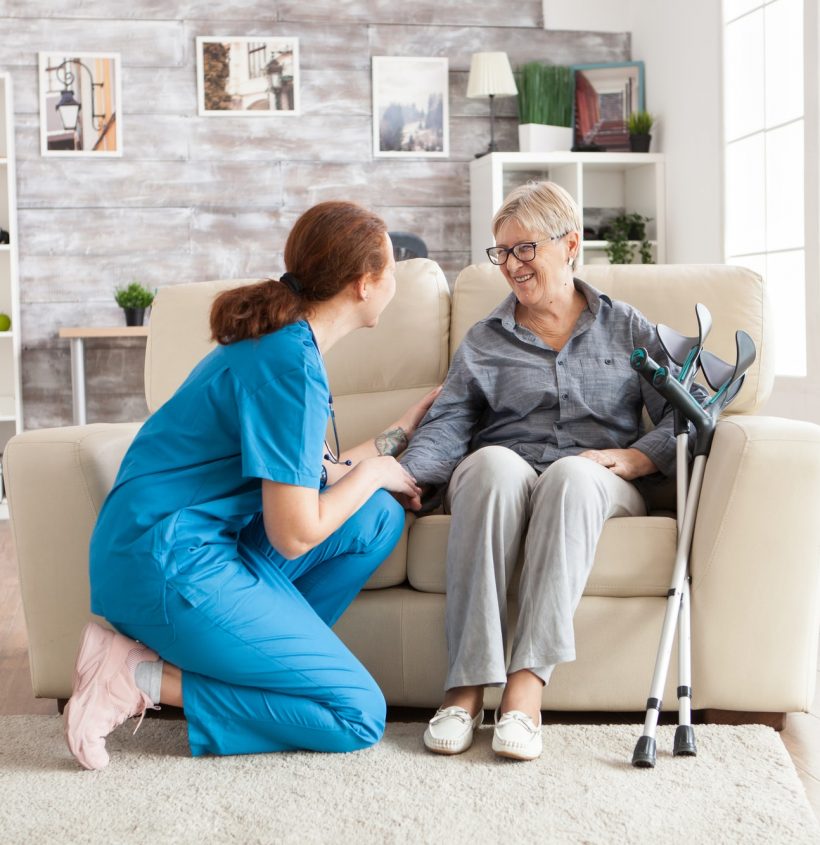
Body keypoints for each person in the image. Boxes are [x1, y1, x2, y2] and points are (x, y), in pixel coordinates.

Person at [64, 200, 440, 770]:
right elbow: (294, 534)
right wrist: (372, 474)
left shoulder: (284, 344)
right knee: (356, 714)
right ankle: (135, 675)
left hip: (180, 546)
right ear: (365, 284)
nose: (394, 279)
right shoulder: (290, 367)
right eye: (391, 268)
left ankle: (262, 662)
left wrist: (400, 434)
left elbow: (318, 469)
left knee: (378, 517)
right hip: (164, 564)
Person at [401, 181, 699, 761]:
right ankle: (464, 690)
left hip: (596, 479)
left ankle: (525, 691)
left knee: (571, 475)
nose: (511, 265)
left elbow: (683, 413)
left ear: (570, 245)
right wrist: (408, 476)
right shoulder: (485, 339)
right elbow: (449, 423)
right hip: (503, 470)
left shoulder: (628, 327)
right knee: (489, 466)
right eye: (501, 252)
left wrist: (638, 458)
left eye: (523, 249)